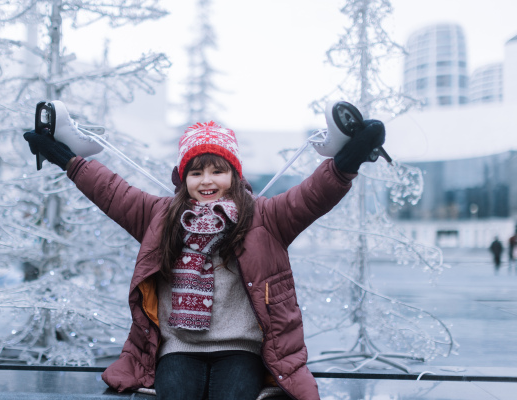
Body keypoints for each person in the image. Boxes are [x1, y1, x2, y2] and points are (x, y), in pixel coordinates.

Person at [23, 119, 385, 400]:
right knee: (176, 393)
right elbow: (112, 192)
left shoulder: (265, 217)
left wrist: (347, 162)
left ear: (234, 175)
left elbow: (311, 196)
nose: (206, 180)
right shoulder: (161, 217)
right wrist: (67, 160)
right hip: (180, 346)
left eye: (217, 170)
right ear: (184, 179)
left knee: (234, 395)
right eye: (196, 172)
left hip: (240, 347)